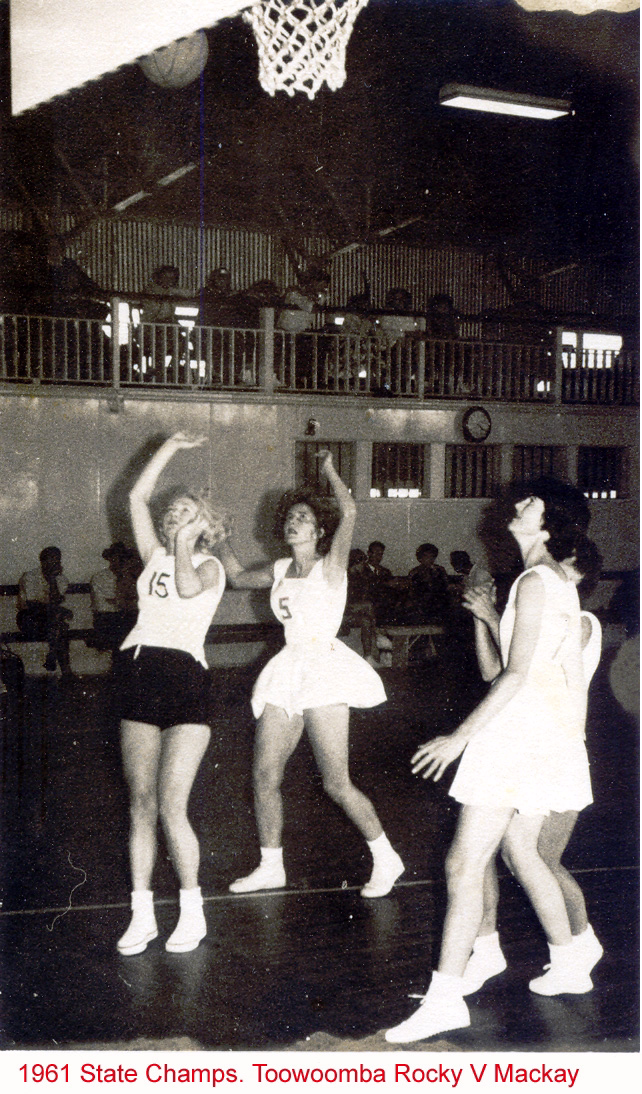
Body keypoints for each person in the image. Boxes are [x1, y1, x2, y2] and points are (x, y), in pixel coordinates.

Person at [385, 478, 593, 1044]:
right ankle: (570, 961)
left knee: (463, 864)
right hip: (543, 737)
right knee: (521, 851)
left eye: (532, 502)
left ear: (549, 522)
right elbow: (560, 674)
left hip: (518, 736)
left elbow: (516, 675)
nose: (518, 505)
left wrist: (459, 737)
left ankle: (446, 1001)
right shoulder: (549, 581)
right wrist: (570, 744)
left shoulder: (535, 581)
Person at [219, 451, 404, 898]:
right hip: (288, 668)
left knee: (335, 782)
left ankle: (387, 858)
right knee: (264, 776)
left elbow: (350, 511)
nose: (293, 523)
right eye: (290, 518)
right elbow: (238, 577)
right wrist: (222, 538)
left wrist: (329, 471)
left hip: (324, 667)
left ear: (320, 531)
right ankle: (271, 866)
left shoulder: (331, 565)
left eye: (303, 518)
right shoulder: (281, 569)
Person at [458, 535, 604, 997]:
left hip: (555, 748)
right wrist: (483, 618)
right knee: (493, 852)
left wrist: (493, 616)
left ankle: (580, 945)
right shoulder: (540, 604)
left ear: (573, 566)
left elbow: (528, 666)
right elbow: (495, 673)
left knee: (537, 858)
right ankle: (491, 949)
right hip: (528, 740)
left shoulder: (580, 620)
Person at [115, 433, 229, 957]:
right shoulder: (153, 555)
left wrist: (185, 541)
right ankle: (141, 914)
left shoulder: (210, 567)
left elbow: (186, 588)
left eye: (187, 510)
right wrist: (169, 447)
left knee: (171, 804)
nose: (173, 515)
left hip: (186, 679)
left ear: (206, 524)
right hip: (141, 670)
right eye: (173, 512)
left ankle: (191, 908)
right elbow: (136, 496)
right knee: (140, 802)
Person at [17, 546, 73, 677]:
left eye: (57, 559)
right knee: (59, 624)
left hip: (50, 619)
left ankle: (57, 661)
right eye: (51, 559)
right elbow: (32, 605)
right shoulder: (30, 577)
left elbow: (56, 601)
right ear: (42, 561)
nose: (54, 562)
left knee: (59, 626)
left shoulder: (61, 579)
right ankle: (64, 670)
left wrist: (53, 579)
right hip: (29, 618)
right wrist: (59, 609)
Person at [90, 542, 140, 652]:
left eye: (123, 558)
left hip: (126, 617)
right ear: (110, 559)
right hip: (107, 618)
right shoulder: (101, 577)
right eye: (116, 557)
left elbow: (132, 600)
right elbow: (110, 604)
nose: (120, 561)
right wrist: (127, 601)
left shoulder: (131, 577)